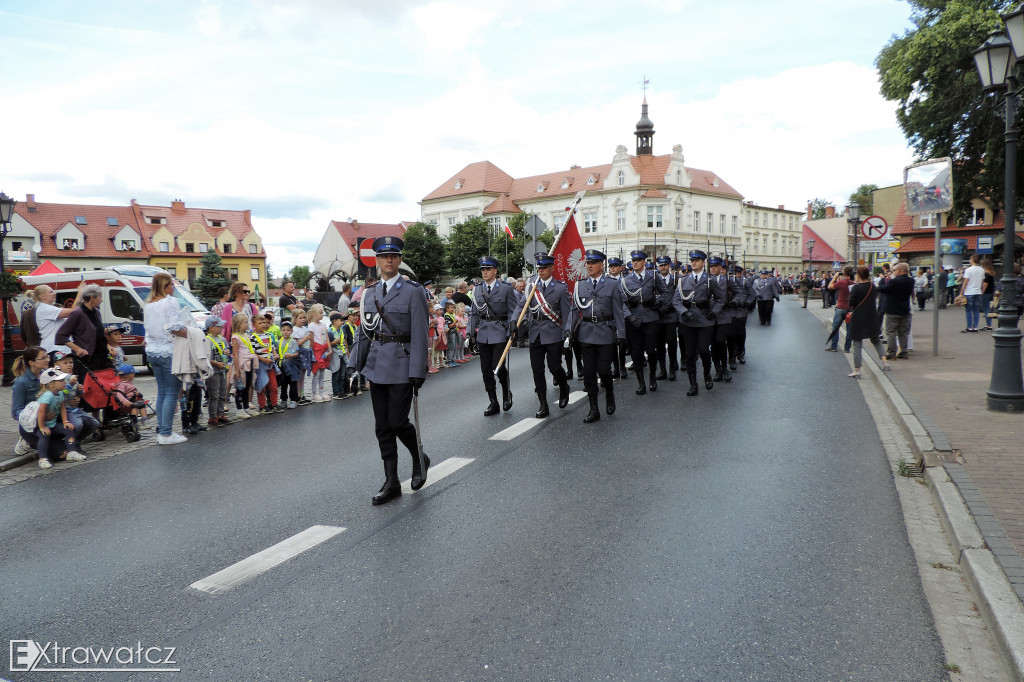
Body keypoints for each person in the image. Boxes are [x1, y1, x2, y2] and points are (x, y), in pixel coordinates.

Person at [352, 235, 429, 505]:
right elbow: (364, 333)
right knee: (382, 427)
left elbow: (420, 332)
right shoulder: (370, 293)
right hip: (375, 366)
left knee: (397, 422)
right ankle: (392, 481)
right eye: (384, 256)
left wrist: (419, 369)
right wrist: (355, 366)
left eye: (394, 256)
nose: (389, 260)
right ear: (377, 261)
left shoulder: (413, 291)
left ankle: (419, 457)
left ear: (399, 260)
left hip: (402, 363)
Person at [511, 252, 572, 419]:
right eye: (539, 267)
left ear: (552, 268)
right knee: (537, 370)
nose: (541, 270)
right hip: (535, 332)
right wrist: (514, 321)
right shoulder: (531, 285)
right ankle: (543, 403)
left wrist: (567, 330)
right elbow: (521, 306)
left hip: (553, 332)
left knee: (554, 367)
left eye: (544, 267)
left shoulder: (560, 287)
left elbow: (567, 312)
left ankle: (563, 386)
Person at [573, 249, 626, 423]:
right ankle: (593, 408)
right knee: (588, 374)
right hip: (586, 332)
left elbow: (618, 310)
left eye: (593, 263)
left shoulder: (612, 284)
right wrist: (568, 329)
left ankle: (609, 393)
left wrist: (621, 333)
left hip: (605, 332)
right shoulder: (580, 285)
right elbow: (575, 310)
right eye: (587, 263)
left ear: (601, 265)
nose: (589, 266)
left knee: (604, 371)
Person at [144, 273, 191, 445]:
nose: (173, 287)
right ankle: (166, 433)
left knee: (162, 392)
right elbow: (174, 327)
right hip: (169, 351)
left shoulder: (149, 305)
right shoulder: (169, 301)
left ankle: (162, 430)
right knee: (172, 392)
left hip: (153, 351)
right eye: (171, 284)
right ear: (165, 286)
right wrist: (191, 332)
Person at [470, 256, 518, 416]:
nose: (485, 272)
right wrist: (471, 333)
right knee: (486, 370)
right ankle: (493, 402)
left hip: (499, 331)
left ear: (495, 271)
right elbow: (475, 313)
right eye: (483, 269)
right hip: (483, 333)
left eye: (488, 269)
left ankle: (506, 393)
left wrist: (513, 325)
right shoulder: (477, 289)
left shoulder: (505, 288)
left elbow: (513, 310)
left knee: (498, 367)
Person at [674, 250, 724, 396]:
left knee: (703, 350)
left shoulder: (710, 280)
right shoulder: (683, 280)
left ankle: (707, 374)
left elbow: (721, 299)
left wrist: (714, 311)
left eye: (697, 260)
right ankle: (693, 384)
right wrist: (684, 311)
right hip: (688, 321)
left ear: (703, 263)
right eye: (692, 260)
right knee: (689, 354)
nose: (694, 263)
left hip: (705, 320)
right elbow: (676, 300)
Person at [620, 250, 659, 395]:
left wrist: (658, 302)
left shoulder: (653, 277)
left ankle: (652, 377)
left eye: (638, 260)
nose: (635, 263)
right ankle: (641, 383)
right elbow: (621, 302)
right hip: (634, 320)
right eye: (633, 260)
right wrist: (629, 317)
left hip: (650, 318)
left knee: (651, 351)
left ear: (644, 262)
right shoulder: (626, 280)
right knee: (636, 353)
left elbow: (665, 292)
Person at [34, 367, 85, 468]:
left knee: (69, 428)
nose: (64, 382)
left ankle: (71, 452)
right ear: (51, 383)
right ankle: (42, 458)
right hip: (41, 425)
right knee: (44, 436)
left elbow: (62, 409)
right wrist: (42, 426)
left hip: (52, 424)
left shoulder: (60, 394)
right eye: (61, 381)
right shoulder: (47, 395)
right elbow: (41, 411)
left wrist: (65, 421)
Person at [55, 284, 109, 375]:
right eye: (100, 297)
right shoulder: (77, 313)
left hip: (101, 358)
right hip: (87, 360)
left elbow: (98, 334)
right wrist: (77, 349)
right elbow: (60, 335)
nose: (101, 300)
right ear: (92, 298)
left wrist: (109, 347)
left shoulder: (97, 312)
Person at [847, 266, 891, 378]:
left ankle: (857, 370)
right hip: (872, 316)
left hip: (858, 318)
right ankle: (885, 362)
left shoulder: (856, 288)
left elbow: (851, 302)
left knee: (857, 343)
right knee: (876, 340)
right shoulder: (873, 286)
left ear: (859, 275)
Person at [31, 284, 81, 357]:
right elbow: (73, 312)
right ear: (43, 296)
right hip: (54, 349)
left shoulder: (47, 308)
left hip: (59, 348)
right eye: (51, 292)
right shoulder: (44, 308)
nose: (54, 293)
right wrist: (80, 293)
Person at [652, 255, 679, 382]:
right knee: (659, 344)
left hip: (671, 315)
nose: (663, 267)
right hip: (658, 315)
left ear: (669, 266)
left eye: (665, 265)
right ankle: (663, 370)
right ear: (658, 266)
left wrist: (670, 306)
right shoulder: (653, 280)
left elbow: (680, 297)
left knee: (672, 341)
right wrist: (657, 307)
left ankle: (672, 367)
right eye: (661, 265)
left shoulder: (676, 280)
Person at [250, 313, 283, 413]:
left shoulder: (268, 335)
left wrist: (275, 354)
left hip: (271, 364)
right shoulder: (253, 338)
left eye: (265, 322)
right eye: (260, 323)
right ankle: (262, 406)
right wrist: (264, 360)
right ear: (254, 325)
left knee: (273, 386)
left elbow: (272, 348)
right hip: (261, 365)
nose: (263, 324)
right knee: (262, 386)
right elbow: (254, 353)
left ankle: (274, 403)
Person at [707, 256, 733, 383]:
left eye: (715, 266)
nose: (713, 268)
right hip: (709, 316)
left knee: (720, 341)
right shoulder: (705, 280)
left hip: (723, 316)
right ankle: (717, 370)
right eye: (711, 266)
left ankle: (724, 368)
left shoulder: (727, 280)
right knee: (713, 344)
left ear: (720, 267)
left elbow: (740, 293)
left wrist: (734, 302)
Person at [230, 312, 258, 418]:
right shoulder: (235, 338)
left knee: (247, 386)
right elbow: (235, 355)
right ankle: (239, 410)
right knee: (240, 387)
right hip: (242, 364)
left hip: (249, 363)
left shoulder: (246, 335)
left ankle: (246, 407)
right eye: (246, 322)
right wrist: (237, 370)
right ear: (239, 324)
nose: (248, 324)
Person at [204, 317, 230, 426]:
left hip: (222, 370)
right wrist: (216, 363)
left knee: (222, 393)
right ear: (211, 328)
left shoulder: (222, 339)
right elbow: (205, 357)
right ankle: (213, 416)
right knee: (214, 394)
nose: (221, 328)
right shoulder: (206, 340)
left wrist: (227, 352)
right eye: (219, 326)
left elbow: (226, 350)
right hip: (213, 370)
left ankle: (220, 414)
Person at [306, 304, 331, 402]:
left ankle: (321, 392)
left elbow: (326, 337)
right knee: (317, 373)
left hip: (323, 349)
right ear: (314, 314)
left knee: (323, 373)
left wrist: (329, 349)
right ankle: (314, 393)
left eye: (322, 313)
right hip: (316, 350)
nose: (322, 315)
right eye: (320, 313)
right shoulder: (311, 326)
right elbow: (311, 340)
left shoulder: (324, 325)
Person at [826, 267, 854, 353]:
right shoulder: (853, 283)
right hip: (850, 309)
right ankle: (847, 348)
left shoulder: (841, 282)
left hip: (841, 307)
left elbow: (829, 286)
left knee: (835, 327)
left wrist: (834, 278)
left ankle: (834, 346)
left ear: (845, 274)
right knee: (849, 329)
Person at [277, 321, 302, 408]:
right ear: (280, 331)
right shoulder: (278, 342)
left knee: (293, 383)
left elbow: (297, 353)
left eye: (288, 330)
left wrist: (291, 355)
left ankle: (293, 400)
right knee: (283, 383)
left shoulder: (293, 341)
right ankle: (283, 400)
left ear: (291, 331)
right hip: (282, 366)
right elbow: (276, 352)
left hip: (292, 366)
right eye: (283, 330)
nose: (285, 332)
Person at [960, 254, 986, 333]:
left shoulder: (968, 270)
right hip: (978, 292)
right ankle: (975, 327)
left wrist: (961, 292)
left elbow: (965, 282)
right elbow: (982, 282)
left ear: (972, 260)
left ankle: (969, 327)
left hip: (969, 292)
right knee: (976, 310)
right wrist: (981, 291)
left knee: (968, 310)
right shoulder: (982, 270)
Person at [291, 309, 312, 404]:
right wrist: (306, 338)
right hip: (299, 355)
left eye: (304, 318)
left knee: (302, 376)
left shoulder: (305, 329)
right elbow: (296, 344)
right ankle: (297, 395)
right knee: (298, 376)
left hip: (306, 354)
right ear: (295, 319)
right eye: (300, 318)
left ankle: (302, 394)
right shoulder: (294, 330)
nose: (303, 320)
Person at [328, 311, 348, 399]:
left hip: (343, 354)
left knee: (342, 374)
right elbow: (327, 344)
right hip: (335, 355)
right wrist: (334, 342)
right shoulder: (330, 331)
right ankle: (336, 392)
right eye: (341, 320)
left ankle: (341, 391)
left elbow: (344, 341)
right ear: (334, 321)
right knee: (336, 373)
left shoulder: (342, 330)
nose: (342, 322)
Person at [981, 258, 997, 330]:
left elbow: (985, 284)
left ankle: (988, 325)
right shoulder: (992, 272)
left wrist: (982, 292)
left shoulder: (986, 274)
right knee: (989, 308)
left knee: (986, 308)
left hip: (986, 292)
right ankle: (989, 324)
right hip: (991, 292)